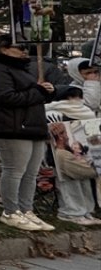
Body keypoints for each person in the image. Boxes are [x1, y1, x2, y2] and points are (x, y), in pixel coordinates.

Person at [0, 34, 57, 232]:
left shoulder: (22, 69)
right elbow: (6, 97)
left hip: (33, 126)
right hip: (12, 128)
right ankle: (10, 211)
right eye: (18, 47)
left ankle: (26, 209)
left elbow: (32, 97)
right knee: (15, 170)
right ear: (3, 49)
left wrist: (46, 92)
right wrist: (38, 92)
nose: (25, 51)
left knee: (31, 173)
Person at [45, 86, 101, 225]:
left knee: (83, 182)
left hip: (79, 152)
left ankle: (84, 211)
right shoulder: (53, 113)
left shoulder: (51, 110)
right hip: (64, 153)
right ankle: (72, 212)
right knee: (70, 182)